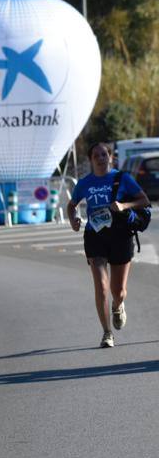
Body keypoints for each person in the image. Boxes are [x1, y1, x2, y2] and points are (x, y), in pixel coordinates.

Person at [66, 141, 150, 348]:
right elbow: (71, 204)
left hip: (120, 235)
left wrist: (124, 205)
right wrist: (73, 219)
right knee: (101, 286)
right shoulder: (85, 183)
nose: (101, 159)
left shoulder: (123, 179)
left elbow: (144, 201)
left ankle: (118, 305)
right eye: (97, 155)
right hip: (95, 236)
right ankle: (107, 333)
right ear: (91, 160)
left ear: (110, 157)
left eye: (104, 155)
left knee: (118, 291)